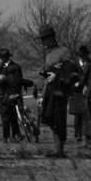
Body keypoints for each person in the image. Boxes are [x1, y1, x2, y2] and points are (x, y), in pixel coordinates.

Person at [37, 25, 78, 158]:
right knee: (51, 119)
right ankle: (57, 149)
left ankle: (60, 150)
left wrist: (58, 75)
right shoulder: (48, 55)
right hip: (49, 91)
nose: (42, 42)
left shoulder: (64, 51)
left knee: (59, 121)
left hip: (60, 91)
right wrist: (42, 95)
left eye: (44, 39)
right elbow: (47, 76)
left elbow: (71, 69)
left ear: (51, 38)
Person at [0, 49, 24, 141]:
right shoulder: (0, 68)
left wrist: (6, 79)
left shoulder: (15, 67)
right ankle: (6, 137)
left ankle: (15, 135)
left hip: (12, 95)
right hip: (2, 96)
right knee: (5, 117)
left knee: (13, 117)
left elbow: (18, 81)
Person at [70, 46, 91, 144]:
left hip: (86, 89)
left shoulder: (89, 64)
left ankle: (88, 134)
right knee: (78, 115)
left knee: (87, 113)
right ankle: (78, 134)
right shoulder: (75, 65)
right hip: (77, 90)